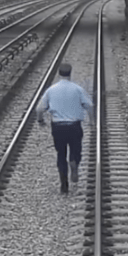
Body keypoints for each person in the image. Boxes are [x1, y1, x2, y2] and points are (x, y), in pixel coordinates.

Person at [36, 63, 94, 194]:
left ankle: (64, 185)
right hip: (74, 126)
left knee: (60, 154)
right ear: (70, 74)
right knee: (76, 150)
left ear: (59, 74)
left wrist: (40, 120)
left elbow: (39, 108)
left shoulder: (51, 90)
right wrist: (92, 122)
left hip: (58, 127)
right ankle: (74, 162)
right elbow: (89, 105)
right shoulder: (77, 89)